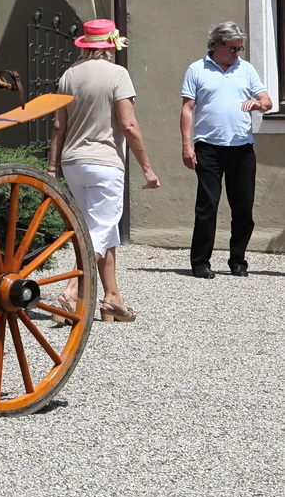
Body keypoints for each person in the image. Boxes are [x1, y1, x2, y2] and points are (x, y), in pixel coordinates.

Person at [46, 20, 160, 323]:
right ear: (110, 45)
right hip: (104, 162)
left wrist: (53, 166)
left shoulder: (69, 75)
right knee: (101, 227)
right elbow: (129, 124)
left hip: (72, 163)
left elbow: (59, 125)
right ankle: (72, 290)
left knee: (99, 230)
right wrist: (147, 167)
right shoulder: (117, 74)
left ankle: (112, 299)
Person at [180, 21, 272, 278]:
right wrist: (187, 145)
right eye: (232, 49)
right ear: (217, 45)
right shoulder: (197, 69)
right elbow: (187, 108)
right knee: (207, 206)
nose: (237, 54)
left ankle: (238, 261)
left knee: (243, 208)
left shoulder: (246, 69)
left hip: (241, 148)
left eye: (240, 48)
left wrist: (257, 104)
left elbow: (267, 101)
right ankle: (200, 263)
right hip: (208, 146)